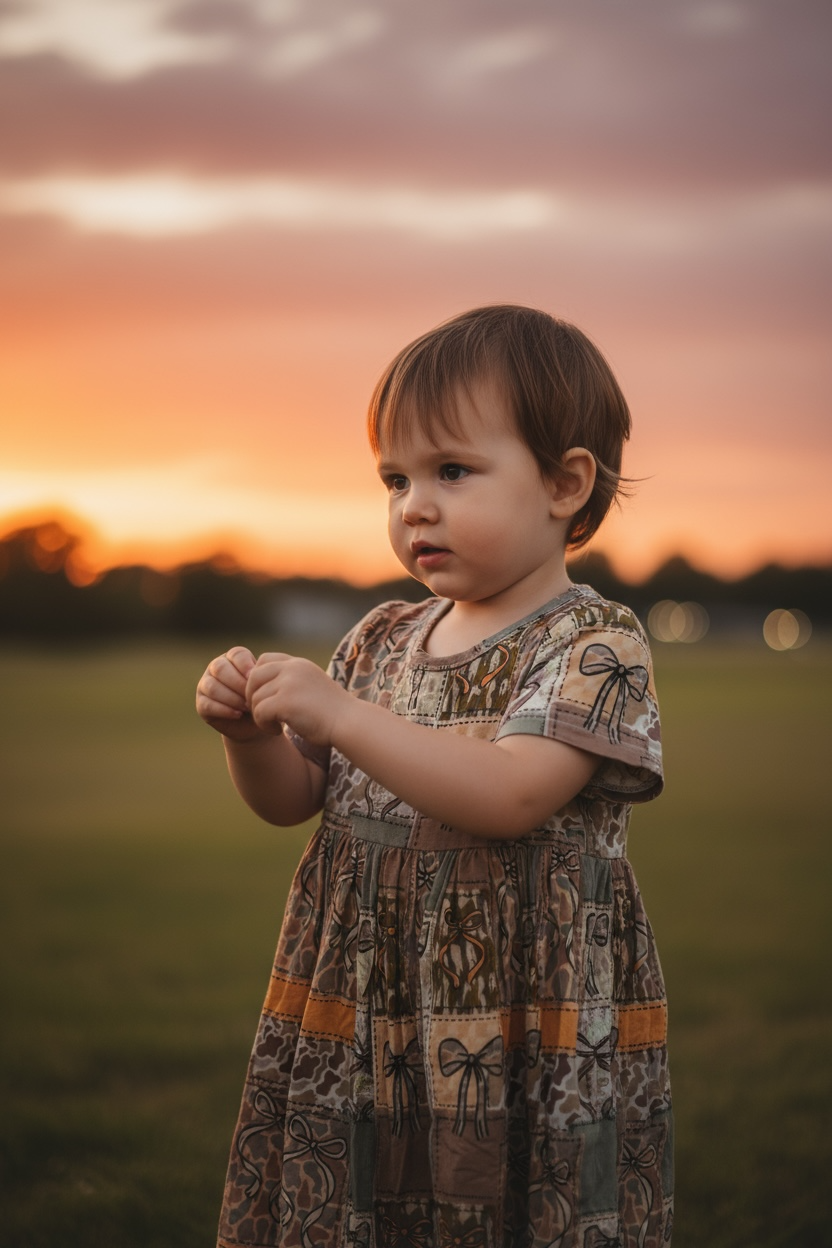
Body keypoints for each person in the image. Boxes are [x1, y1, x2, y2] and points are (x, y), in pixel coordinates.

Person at [196, 305, 673, 1248]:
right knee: (364, 1206)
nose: (414, 504)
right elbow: (299, 803)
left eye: (453, 470)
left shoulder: (592, 643)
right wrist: (253, 739)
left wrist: (339, 715)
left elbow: (509, 794)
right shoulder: (379, 639)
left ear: (564, 484)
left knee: (498, 1210)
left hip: (514, 1003)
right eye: (395, 478)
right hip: (366, 989)